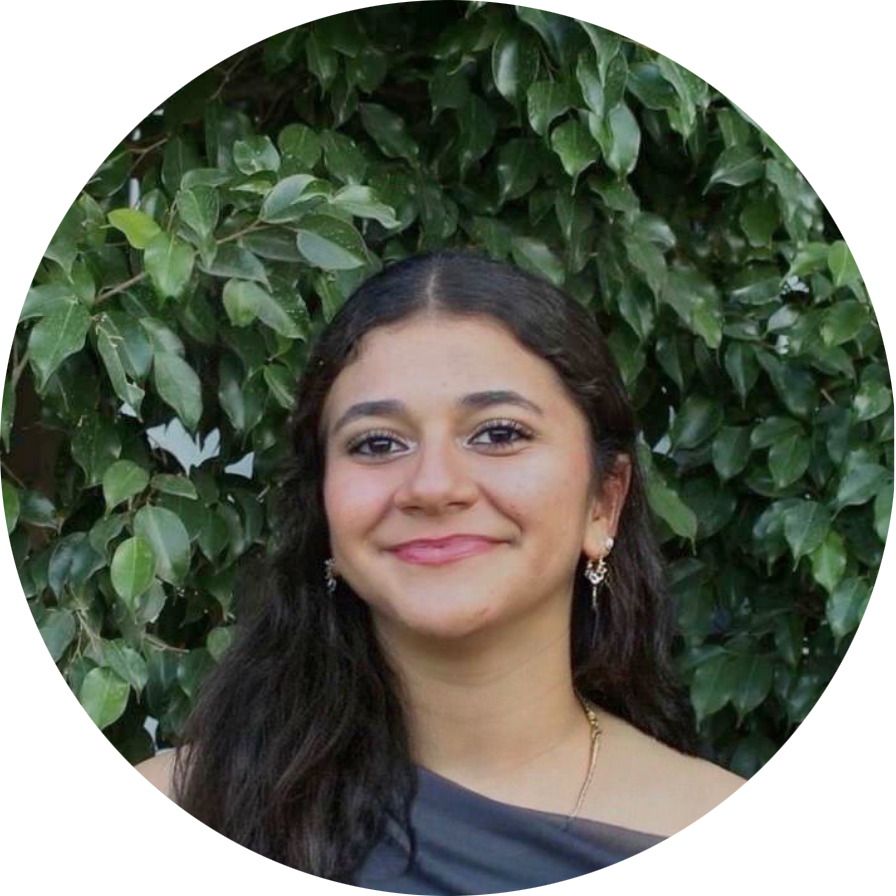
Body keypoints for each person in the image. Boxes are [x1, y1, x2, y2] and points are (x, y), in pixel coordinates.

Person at [134, 250, 746, 889]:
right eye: (377, 443)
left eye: (499, 434)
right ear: (323, 507)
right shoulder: (195, 800)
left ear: (603, 501)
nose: (432, 486)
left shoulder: (695, 810)